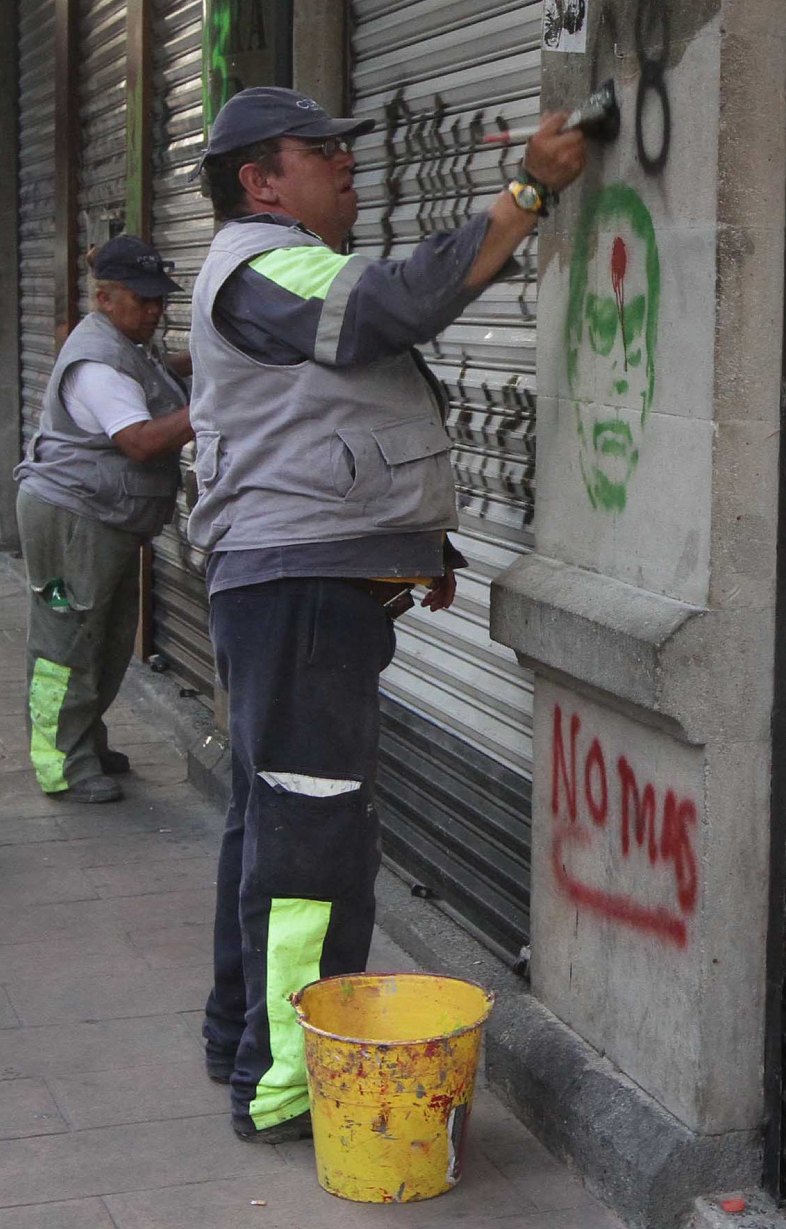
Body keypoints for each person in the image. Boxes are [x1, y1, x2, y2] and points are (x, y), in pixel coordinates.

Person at [189, 87, 585, 1141]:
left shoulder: (264, 261)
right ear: (259, 181)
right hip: (296, 590)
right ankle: (283, 1082)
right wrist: (524, 194)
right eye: (320, 153)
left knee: (273, 819)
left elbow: (323, 421)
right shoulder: (263, 261)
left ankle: (243, 1033)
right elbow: (389, 306)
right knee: (311, 839)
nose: (346, 167)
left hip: (308, 579)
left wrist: (413, 547)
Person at [14, 236, 193, 804]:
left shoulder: (129, 343)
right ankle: (59, 762)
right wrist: (221, 404)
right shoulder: (98, 360)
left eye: (159, 300)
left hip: (104, 517)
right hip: (74, 518)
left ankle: (84, 740)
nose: (154, 310)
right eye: (142, 300)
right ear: (105, 298)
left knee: (105, 639)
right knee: (65, 640)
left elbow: (163, 373)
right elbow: (138, 441)